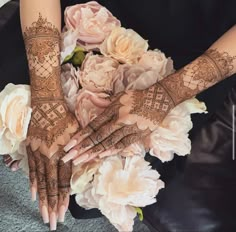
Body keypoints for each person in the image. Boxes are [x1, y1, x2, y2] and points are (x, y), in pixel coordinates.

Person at [2, 0, 236, 231]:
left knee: (107, 178)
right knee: (14, 99)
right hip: (94, 10)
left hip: (197, 47)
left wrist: (167, 94)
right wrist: (46, 99)